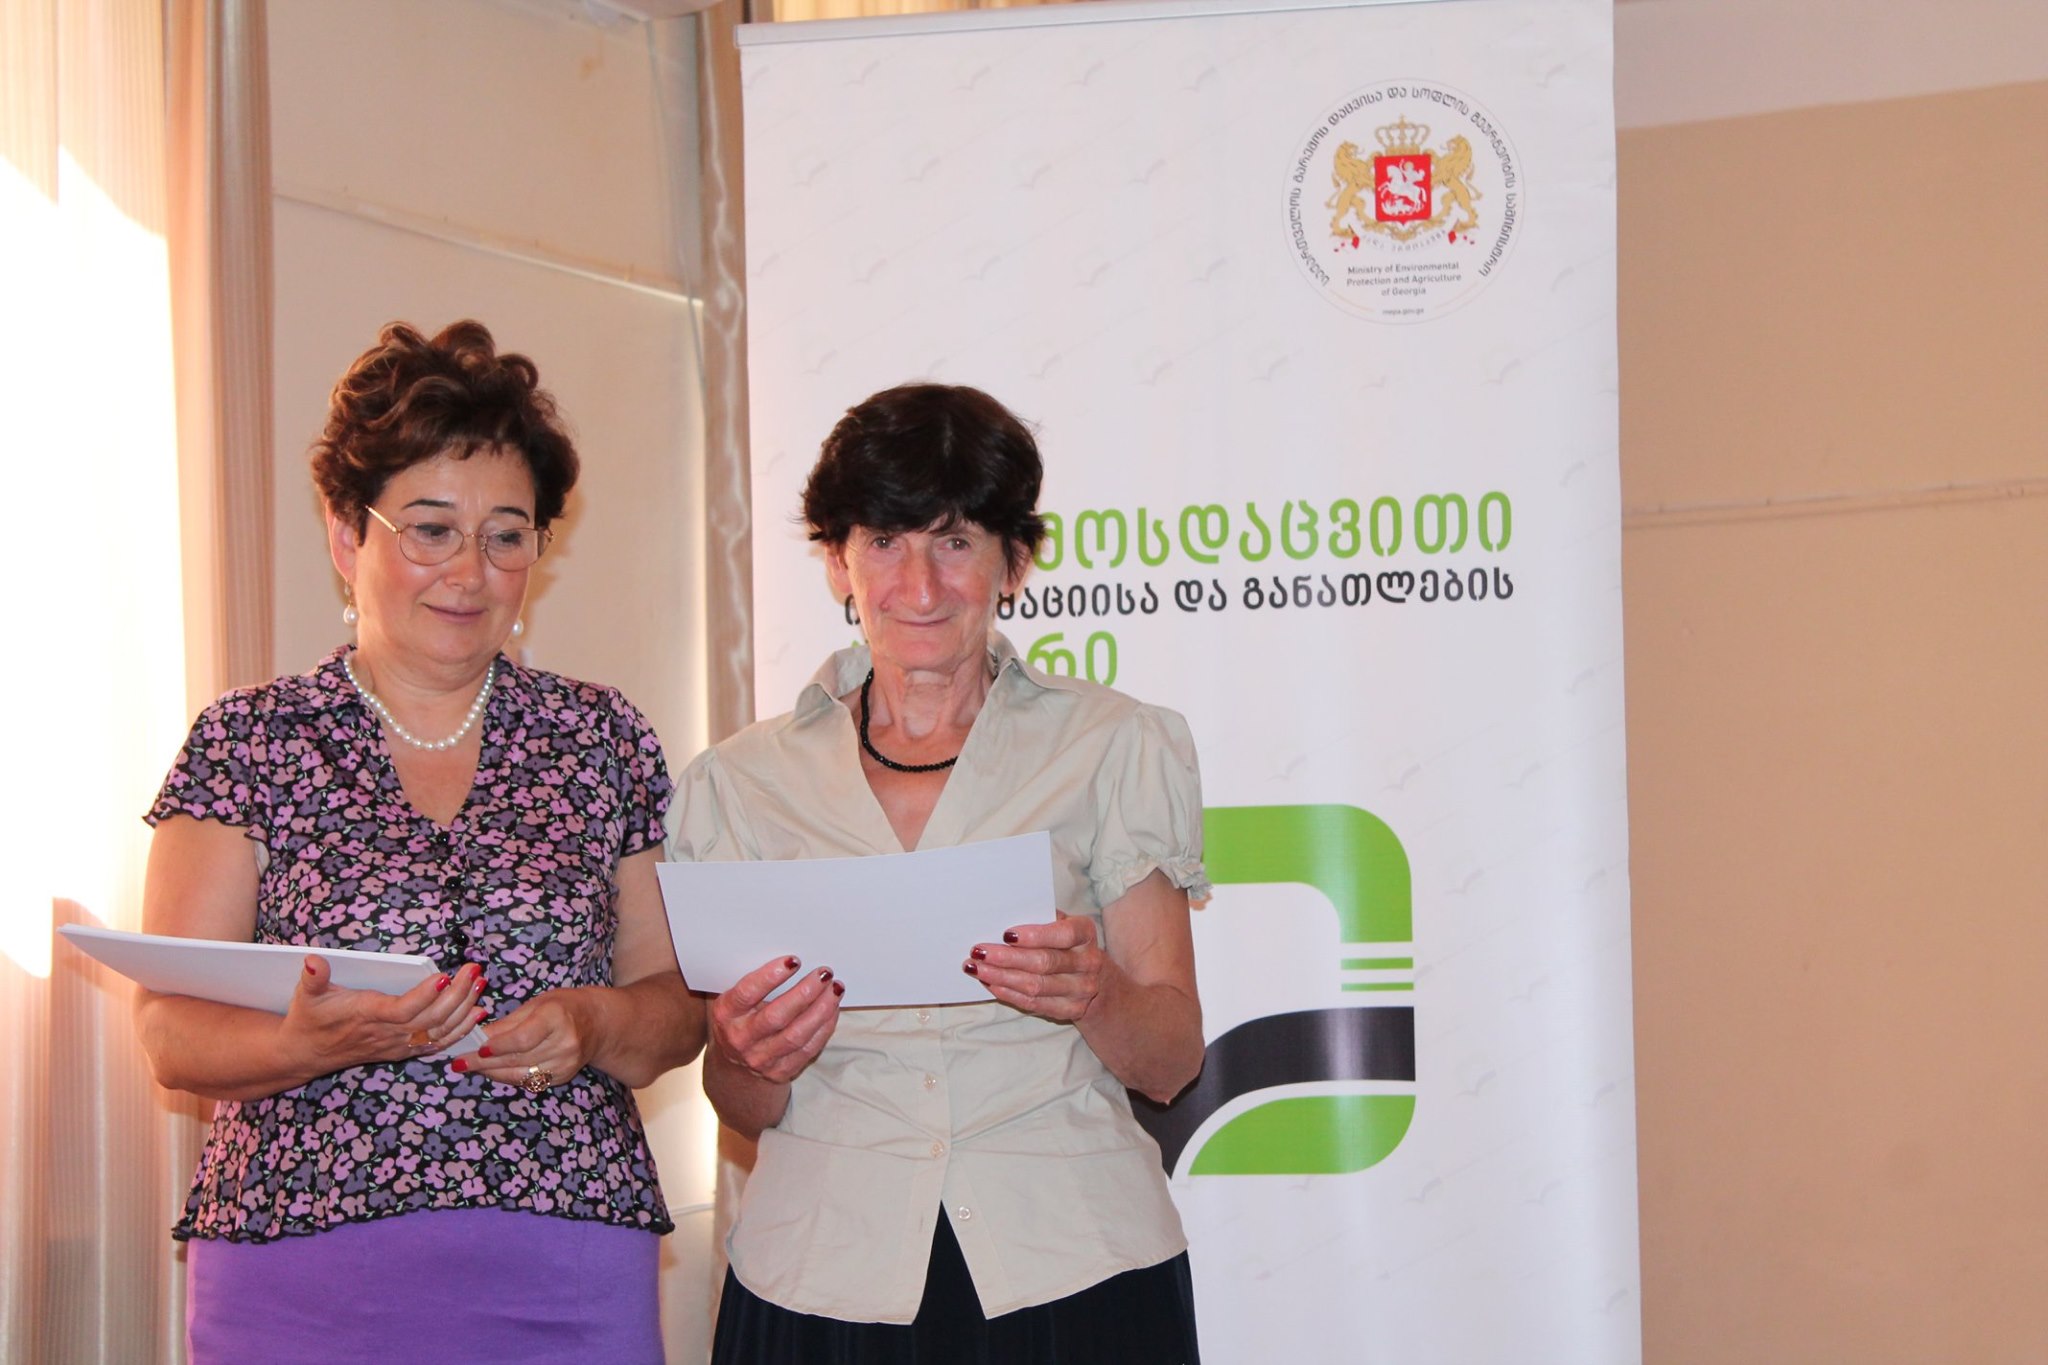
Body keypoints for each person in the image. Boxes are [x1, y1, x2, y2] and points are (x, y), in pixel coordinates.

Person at [135, 320, 704, 1363]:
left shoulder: (601, 736)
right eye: (431, 529)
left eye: (506, 535)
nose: (470, 571)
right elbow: (170, 1030)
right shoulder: (250, 738)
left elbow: (673, 1008)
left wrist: (591, 1021)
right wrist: (307, 1045)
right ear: (346, 537)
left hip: (565, 1262)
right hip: (299, 1267)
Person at [672, 383, 1208, 1363]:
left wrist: (1092, 992)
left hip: (1070, 1262)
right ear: (836, 560)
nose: (919, 587)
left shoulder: (1113, 744)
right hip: (819, 1270)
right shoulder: (738, 783)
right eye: (884, 541)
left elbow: (1171, 1059)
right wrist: (747, 1056)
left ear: (1015, 561)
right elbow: (738, 1105)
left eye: (955, 540)